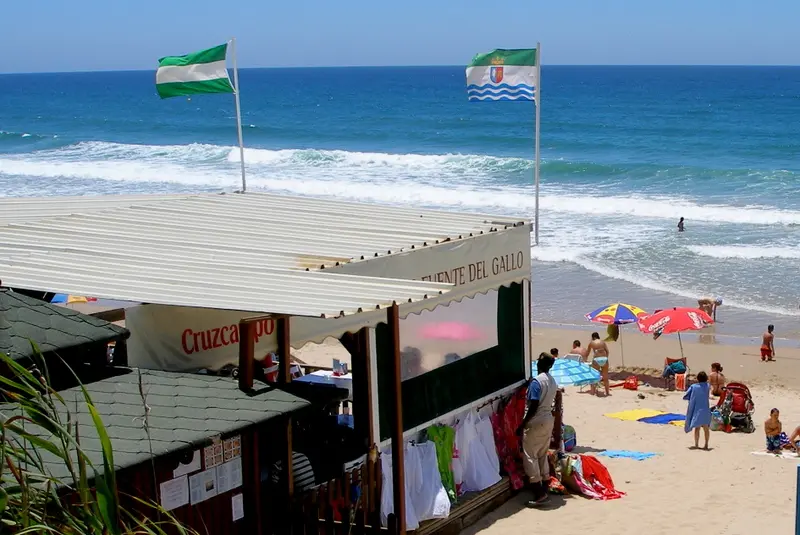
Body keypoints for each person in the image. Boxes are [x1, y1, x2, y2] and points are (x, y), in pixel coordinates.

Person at [516, 353, 558, 506]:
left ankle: (538, 493)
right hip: (548, 420)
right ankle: (545, 486)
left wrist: (522, 424)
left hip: (536, 420)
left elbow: (533, 405)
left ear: (540, 364)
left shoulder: (536, 382)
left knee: (530, 456)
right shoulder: (552, 381)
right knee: (542, 454)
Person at [683, 371, 711, 450]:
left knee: (697, 428)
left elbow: (685, 396)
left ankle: (696, 444)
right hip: (706, 409)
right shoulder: (708, 386)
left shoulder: (694, 387)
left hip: (697, 409)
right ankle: (706, 444)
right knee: (706, 428)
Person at [587, 332, 610, 396]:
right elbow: (607, 351)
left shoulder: (591, 343)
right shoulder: (603, 342)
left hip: (596, 360)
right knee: (605, 378)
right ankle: (607, 392)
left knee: (594, 376)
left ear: (593, 337)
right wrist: (605, 358)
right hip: (604, 359)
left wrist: (584, 359)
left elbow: (587, 353)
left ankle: (593, 392)